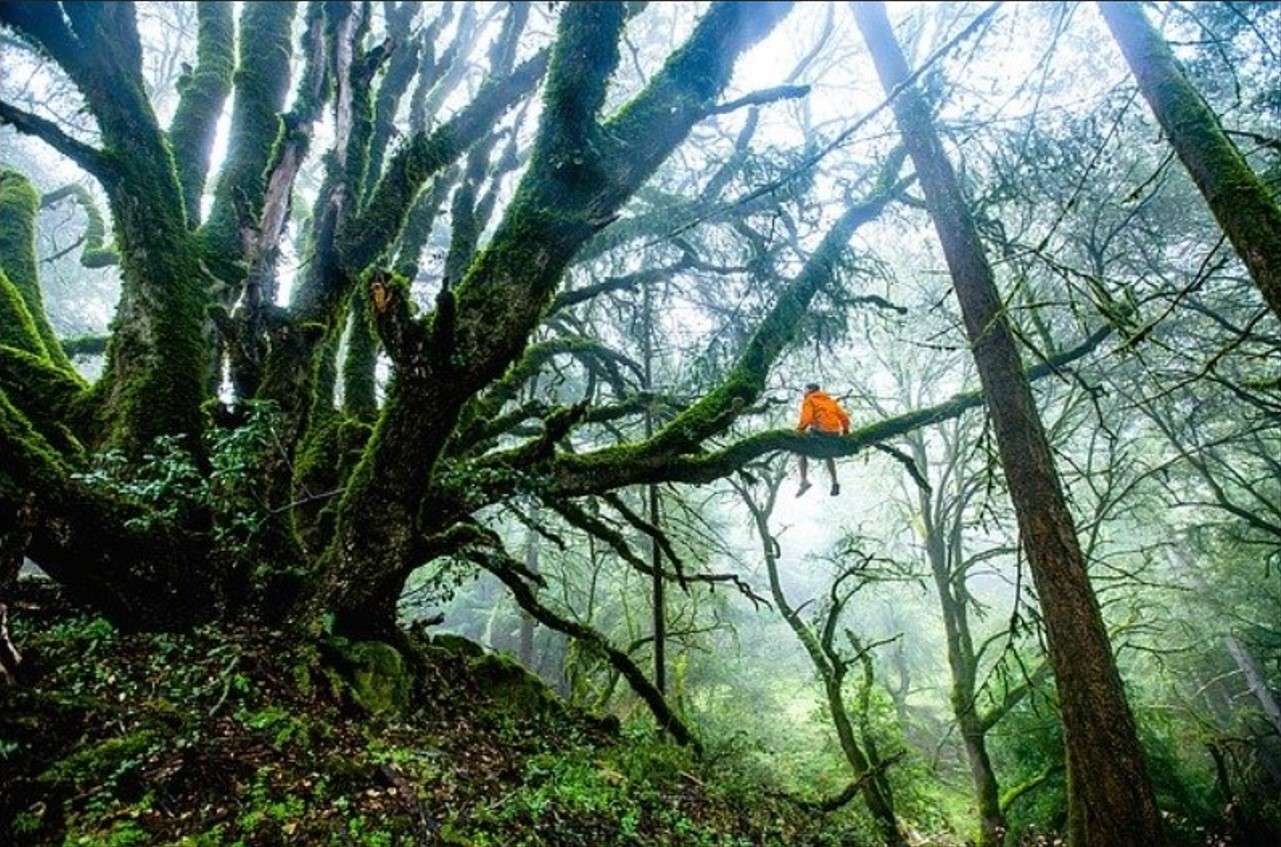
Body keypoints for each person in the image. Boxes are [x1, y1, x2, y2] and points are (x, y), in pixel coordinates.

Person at [795, 382, 850, 497]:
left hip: (820, 433)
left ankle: (804, 480)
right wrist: (845, 431)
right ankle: (834, 481)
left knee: (800, 449)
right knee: (828, 455)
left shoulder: (809, 399)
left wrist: (799, 431)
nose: (803, 393)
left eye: (804, 390)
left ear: (809, 390)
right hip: (834, 434)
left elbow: (807, 418)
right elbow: (844, 417)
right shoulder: (830, 401)